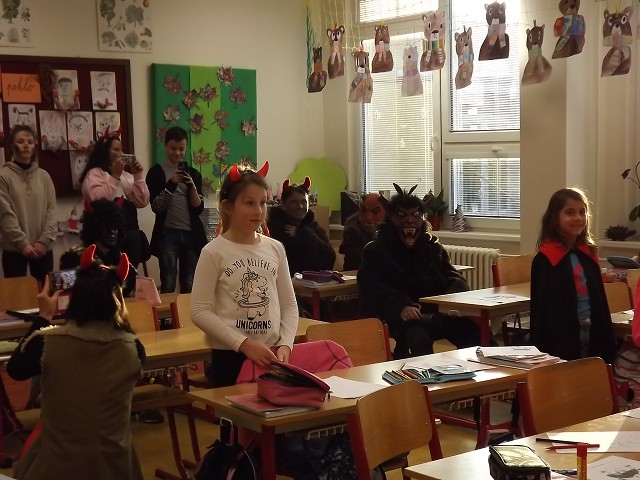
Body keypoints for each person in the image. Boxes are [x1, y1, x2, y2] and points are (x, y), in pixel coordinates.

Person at [7, 245, 145, 480]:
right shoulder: (133, 348)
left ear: (74, 298)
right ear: (118, 301)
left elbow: (15, 370)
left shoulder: (47, 343)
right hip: (116, 467)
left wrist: (44, 316)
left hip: (55, 468)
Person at [191, 162, 299, 387]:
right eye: (249, 203)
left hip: (271, 354)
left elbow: (289, 305)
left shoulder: (275, 248)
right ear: (228, 206)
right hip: (229, 357)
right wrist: (243, 344)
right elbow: (199, 311)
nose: (259, 210)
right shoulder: (213, 252)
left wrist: (286, 344)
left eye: (263, 202)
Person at [358, 183, 480, 358]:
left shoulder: (432, 248)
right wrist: (400, 306)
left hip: (437, 313)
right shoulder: (376, 251)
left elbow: (453, 277)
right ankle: (426, 375)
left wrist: (451, 300)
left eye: (415, 215)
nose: (409, 221)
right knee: (417, 338)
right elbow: (371, 288)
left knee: (476, 333)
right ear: (390, 218)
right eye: (401, 216)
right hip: (402, 318)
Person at [530, 187, 616, 363]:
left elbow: (599, 298)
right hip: (562, 332)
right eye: (570, 213)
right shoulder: (546, 258)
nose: (578, 218)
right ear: (555, 218)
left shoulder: (588, 254)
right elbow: (544, 309)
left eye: (582, 212)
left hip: (592, 324)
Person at [145, 126, 207, 293]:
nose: (177, 153)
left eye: (181, 149)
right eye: (173, 148)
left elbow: (198, 208)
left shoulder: (194, 174)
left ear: (186, 148)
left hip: (191, 234)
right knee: (168, 281)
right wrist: (171, 185)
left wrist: (192, 187)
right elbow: (157, 207)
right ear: (165, 146)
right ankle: (168, 311)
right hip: (167, 234)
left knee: (189, 282)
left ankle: (186, 311)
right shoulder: (156, 172)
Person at [80, 134, 150, 270]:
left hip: (130, 234)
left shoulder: (126, 176)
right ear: (105, 151)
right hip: (106, 237)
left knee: (129, 274)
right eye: (116, 149)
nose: (120, 153)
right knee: (107, 272)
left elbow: (142, 201)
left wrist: (138, 175)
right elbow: (98, 200)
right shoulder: (95, 174)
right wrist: (115, 176)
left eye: (121, 150)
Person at [0, 125, 57, 285]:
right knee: (17, 297)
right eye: (21, 141)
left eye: (30, 142)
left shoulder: (44, 176)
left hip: (43, 248)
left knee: (45, 293)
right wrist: (23, 244)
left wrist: (44, 241)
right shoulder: (4, 176)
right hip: (14, 249)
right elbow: (5, 213)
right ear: (12, 146)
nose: (26, 145)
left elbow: (52, 210)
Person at [267, 177, 335, 276]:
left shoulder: (313, 227)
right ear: (284, 205)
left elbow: (329, 257)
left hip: (314, 281)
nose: (300, 206)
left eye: (304, 202)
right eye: (294, 202)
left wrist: (303, 234)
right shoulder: (274, 229)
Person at [80, 198, 137, 296]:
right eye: (106, 227)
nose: (112, 231)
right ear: (94, 228)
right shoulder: (76, 257)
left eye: (115, 226)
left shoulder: (120, 257)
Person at [339, 193, 385, 270]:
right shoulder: (352, 231)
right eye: (364, 210)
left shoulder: (390, 229)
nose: (369, 217)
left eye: (375, 212)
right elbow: (359, 263)